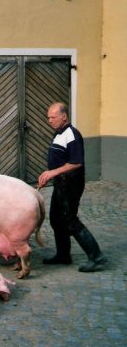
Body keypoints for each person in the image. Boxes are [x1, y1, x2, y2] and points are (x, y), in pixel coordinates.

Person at [38, 102, 107, 272]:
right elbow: (61, 160)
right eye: (48, 117)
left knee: (69, 220)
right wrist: (50, 173)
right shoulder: (59, 134)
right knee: (55, 218)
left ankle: (97, 257)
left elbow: (76, 163)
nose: (50, 120)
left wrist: (52, 173)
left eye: (53, 117)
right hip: (60, 183)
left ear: (64, 116)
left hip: (71, 184)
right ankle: (63, 255)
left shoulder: (72, 134)